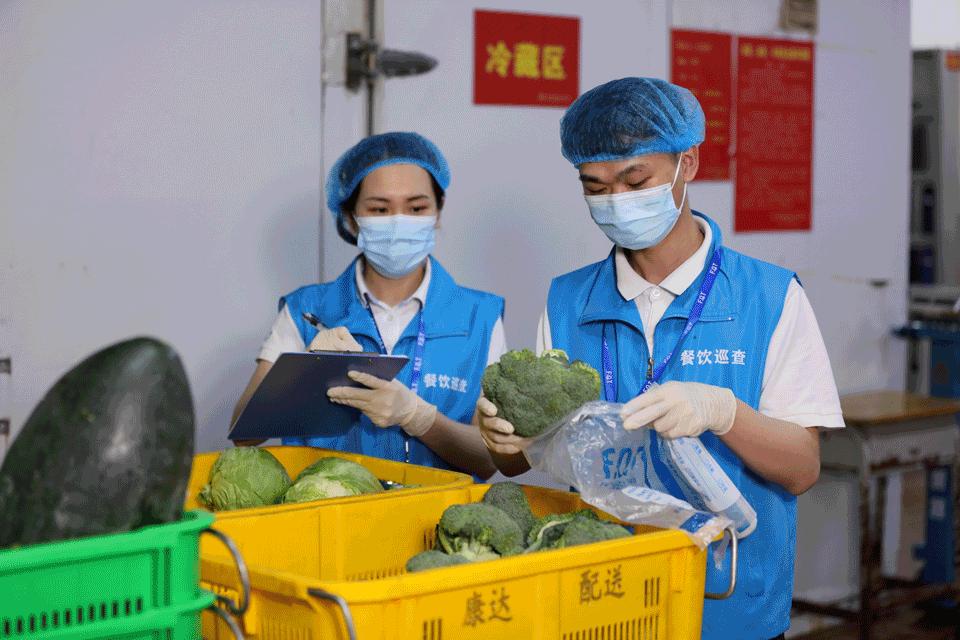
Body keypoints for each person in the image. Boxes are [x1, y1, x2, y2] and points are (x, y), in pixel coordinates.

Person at [477, 78, 843, 640]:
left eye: (635, 179)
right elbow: (539, 465)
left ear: (687, 163)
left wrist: (726, 413)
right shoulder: (568, 302)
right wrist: (504, 445)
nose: (616, 200)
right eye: (595, 186)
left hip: (726, 603)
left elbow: (802, 469)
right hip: (601, 600)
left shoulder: (768, 298)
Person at [234, 132, 503, 479]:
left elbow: (486, 461)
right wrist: (303, 377)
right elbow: (243, 434)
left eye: (416, 207)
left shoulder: (480, 316)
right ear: (350, 217)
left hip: (438, 520)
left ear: (438, 212)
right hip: (330, 520)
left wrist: (419, 417)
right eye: (379, 208)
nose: (398, 221)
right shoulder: (306, 310)